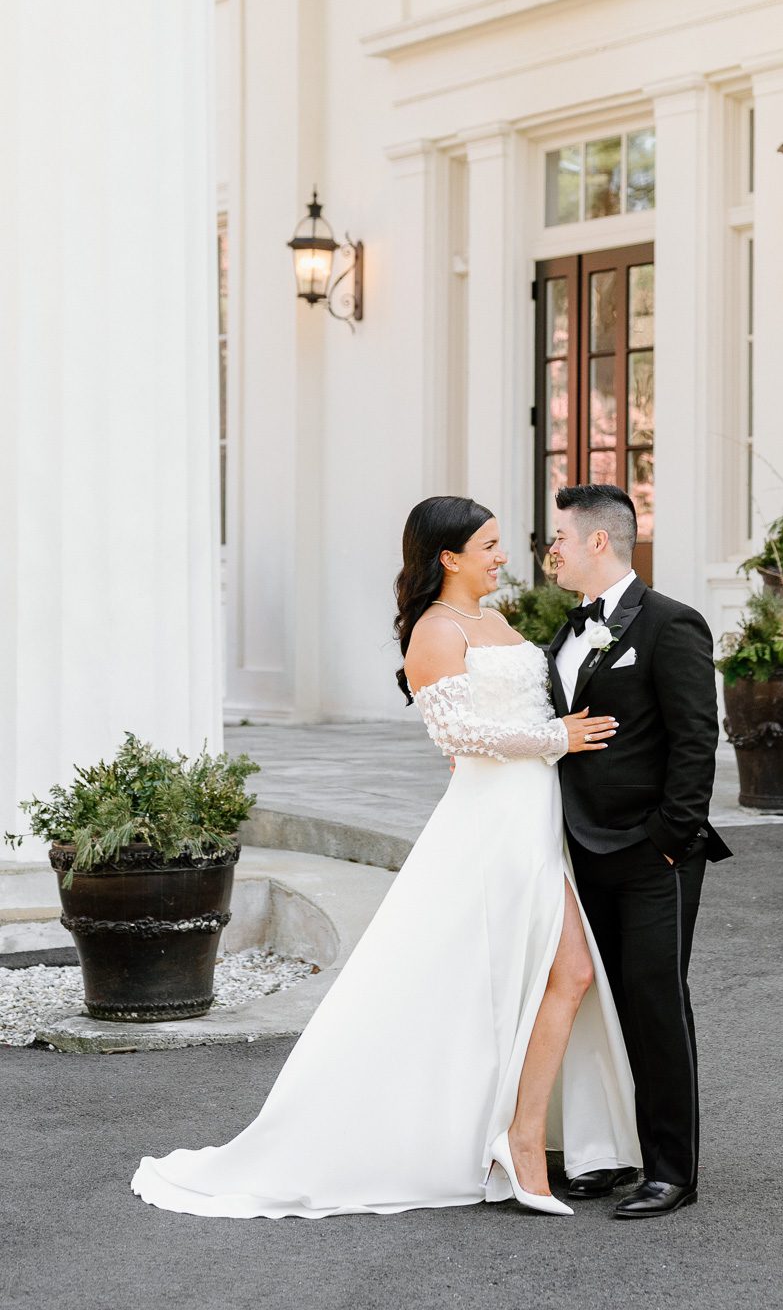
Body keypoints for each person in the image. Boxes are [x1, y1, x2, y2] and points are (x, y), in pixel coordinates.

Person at [131, 495, 639, 1220]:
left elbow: (522, 706)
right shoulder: (433, 633)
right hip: (490, 826)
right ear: (449, 557)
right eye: (489, 544)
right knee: (551, 971)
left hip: (533, 817)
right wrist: (558, 739)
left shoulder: (495, 622)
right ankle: (517, 1143)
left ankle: (518, 1133)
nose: (503, 555)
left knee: (560, 973)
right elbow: (458, 738)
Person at [545, 483, 732, 1218]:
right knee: (599, 1005)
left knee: (655, 1006)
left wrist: (668, 839)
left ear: (598, 541)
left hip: (651, 853)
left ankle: (670, 1171)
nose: (549, 548)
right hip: (577, 848)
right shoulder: (564, 630)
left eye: (557, 535)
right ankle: (609, 1153)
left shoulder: (670, 625)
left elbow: (696, 739)